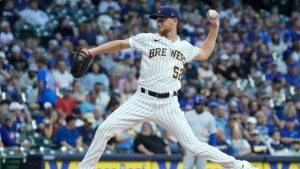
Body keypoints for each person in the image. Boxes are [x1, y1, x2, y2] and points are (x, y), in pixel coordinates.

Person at [78, 6, 257, 169]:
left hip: (168, 104)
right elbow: (120, 44)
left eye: (162, 19)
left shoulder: (184, 47)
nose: (159, 22)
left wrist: (215, 27)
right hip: (142, 100)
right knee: (103, 129)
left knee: (193, 145)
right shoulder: (147, 39)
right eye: (157, 19)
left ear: (175, 21)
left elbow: (204, 53)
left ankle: (239, 165)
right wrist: (92, 52)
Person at [183, 95, 217, 169]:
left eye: (200, 104)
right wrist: (181, 144)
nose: (198, 106)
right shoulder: (187, 115)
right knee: (187, 166)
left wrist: (212, 148)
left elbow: (213, 134)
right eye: (197, 104)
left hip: (203, 144)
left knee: (201, 167)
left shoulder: (209, 117)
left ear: (203, 105)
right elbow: (182, 131)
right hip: (190, 143)